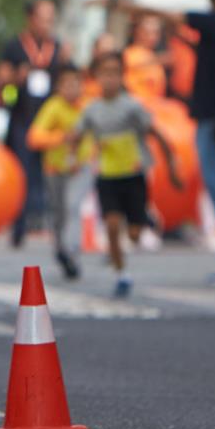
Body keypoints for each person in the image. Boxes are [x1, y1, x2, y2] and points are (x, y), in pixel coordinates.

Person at [111, 0, 215, 284]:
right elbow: (210, 52)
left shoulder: (212, 22)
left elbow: (170, 15)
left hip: (213, 117)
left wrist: (126, 7)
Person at [73, 52, 181, 298]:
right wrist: (72, 157)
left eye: (114, 73)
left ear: (122, 76)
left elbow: (157, 134)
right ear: (96, 77)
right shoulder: (92, 110)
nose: (109, 79)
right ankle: (121, 273)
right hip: (107, 174)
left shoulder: (132, 106)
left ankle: (140, 223)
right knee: (111, 225)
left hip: (133, 174)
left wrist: (172, 166)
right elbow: (77, 135)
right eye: (104, 74)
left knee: (134, 232)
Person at [0, 0, 66, 247]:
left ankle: (51, 225)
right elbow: (1, 78)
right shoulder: (15, 46)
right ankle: (19, 227)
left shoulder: (58, 47)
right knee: (22, 173)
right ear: (30, 18)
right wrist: (16, 78)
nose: (47, 24)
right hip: (22, 119)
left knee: (50, 173)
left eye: (51, 19)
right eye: (42, 18)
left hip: (49, 122)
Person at [26, 64, 89, 279]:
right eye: (66, 84)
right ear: (58, 87)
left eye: (75, 84)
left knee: (73, 206)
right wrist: (61, 137)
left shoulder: (88, 107)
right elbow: (34, 138)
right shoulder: (53, 107)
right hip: (55, 169)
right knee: (58, 213)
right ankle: (61, 249)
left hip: (80, 168)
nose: (71, 89)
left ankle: (72, 251)